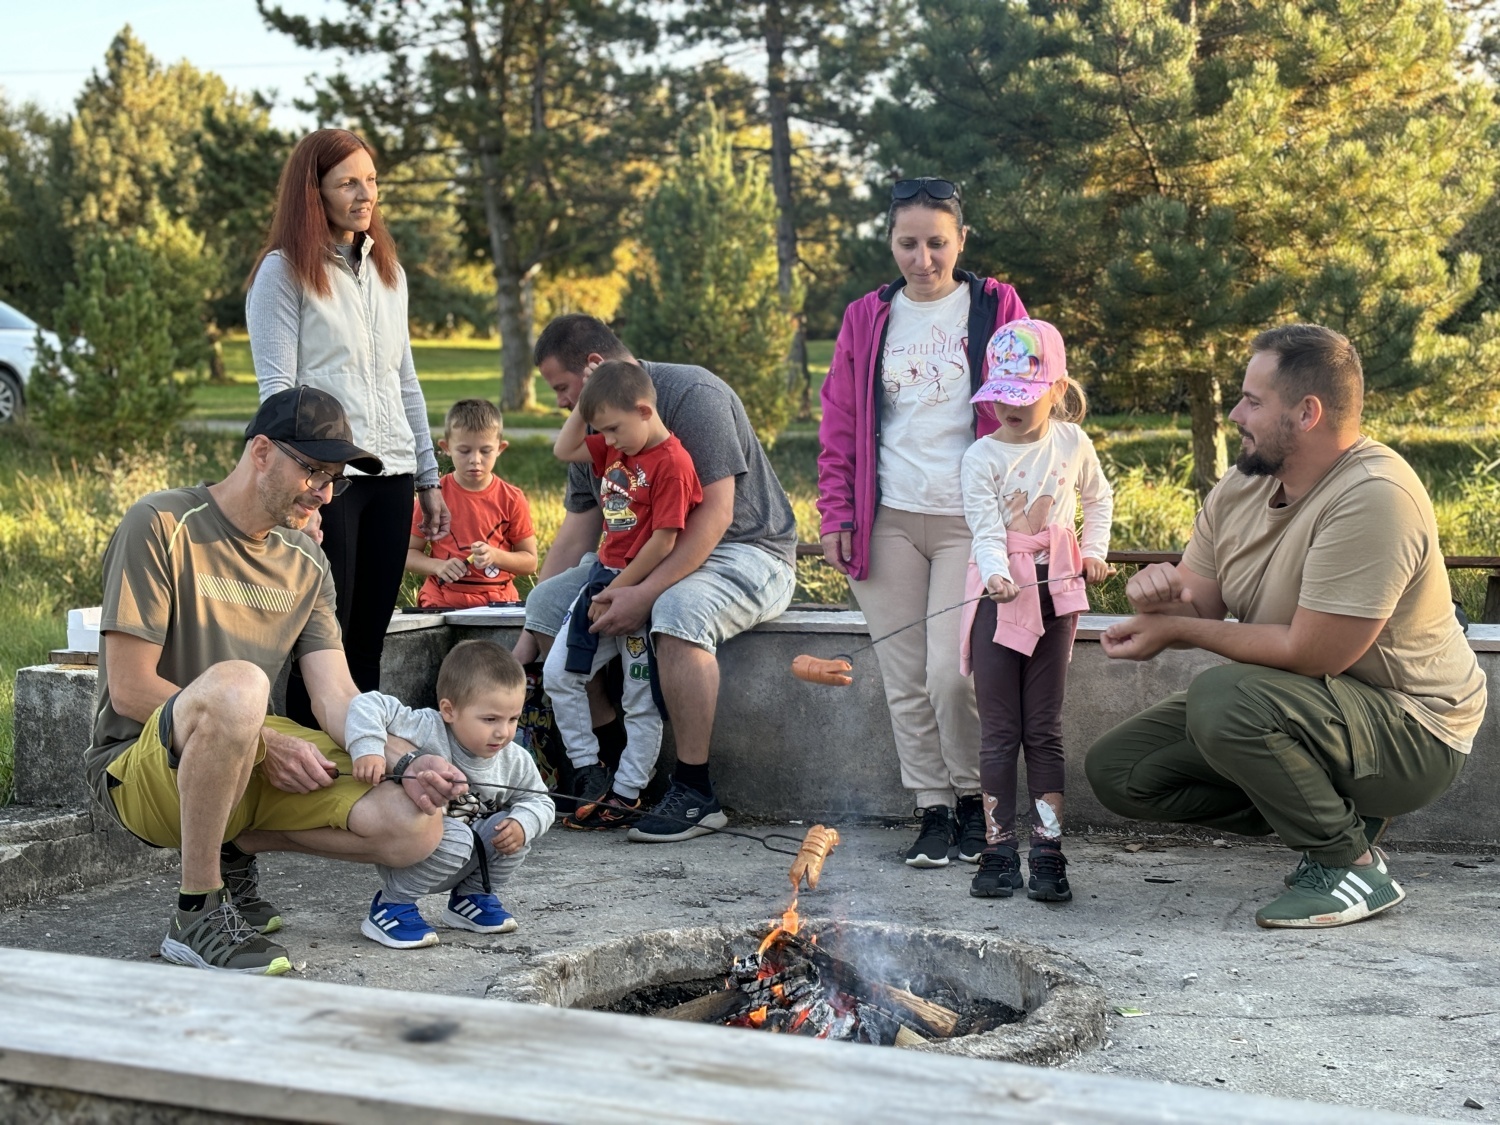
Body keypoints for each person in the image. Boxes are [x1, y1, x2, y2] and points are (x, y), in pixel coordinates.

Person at [1086, 324, 1487, 929]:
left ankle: (1350, 866)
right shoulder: (1242, 486)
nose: (1233, 413)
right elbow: (1198, 604)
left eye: (1252, 400)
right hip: (1318, 713)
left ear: (1306, 413)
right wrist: (1156, 601)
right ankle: (1340, 816)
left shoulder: (1375, 495)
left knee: (1224, 697)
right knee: (1121, 771)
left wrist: (1182, 633)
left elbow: (1310, 653)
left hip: (1415, 730)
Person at [84, 387, 467, 975]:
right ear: (261, 451)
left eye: (334, 477)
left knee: (416, 823)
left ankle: (235, 844)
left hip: (244, 748)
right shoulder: (161, 524)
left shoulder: (309, 563)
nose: (326, 492)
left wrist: (404, 762)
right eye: (313, 470)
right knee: (240, 686)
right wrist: (264, 742)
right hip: (142, 764)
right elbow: (132, 689)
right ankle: (198, 911)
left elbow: (337, 697)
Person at [514, 314, 798, 843]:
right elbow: (580, 531)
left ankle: (696, 792)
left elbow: (714, 516)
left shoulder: (691, 393)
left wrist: (643, 592)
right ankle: (614, 777)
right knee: (551, 603)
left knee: (677, 610)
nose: (559, 403)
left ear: (595, 366)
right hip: (639, 559)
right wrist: (529, 629)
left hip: (745, 550)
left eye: (561, 388)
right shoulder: (603, 429)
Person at [818, 177, 1029, 868]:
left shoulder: (996, 305)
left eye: (937, 242)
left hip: (971, 520)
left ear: (961, 240)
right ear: (891, 243)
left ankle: (975, 799)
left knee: (952, 670)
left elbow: (1031, 402)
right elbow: (841, 422)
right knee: (904, 675)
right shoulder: (866, 317)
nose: (923, 257)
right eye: (907, 243)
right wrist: (838, 511)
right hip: (890, 520)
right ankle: (932, 808)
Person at [246, 127, 450, 728]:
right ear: (315, 192)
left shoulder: (389, 274)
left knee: (367, 642)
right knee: (318, 644)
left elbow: (404, 381)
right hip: (327, 481)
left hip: (391, 473)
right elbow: (277, 394)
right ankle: (305, 774)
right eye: (349, 183)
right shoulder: (283, 273)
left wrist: (428, 479)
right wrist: (298, 495)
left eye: (372, 180)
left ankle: (352, 774)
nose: (366, 195)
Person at [958, 320, 1113, 902]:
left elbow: (1097, 500)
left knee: (1043, 729)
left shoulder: (1074, 444)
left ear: (1057, 388)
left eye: (1022, 395)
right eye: (999, 394)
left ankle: (1048, 851)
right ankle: (998, 850)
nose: (1009, 407)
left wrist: (1093, 553)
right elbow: (984, 526)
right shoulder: (981, 456)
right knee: (1000, 730)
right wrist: (996, 574)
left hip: (1058, 596)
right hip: (998, 596)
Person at [546, 361, 703, 829]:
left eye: (614, 429)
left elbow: (664, 540)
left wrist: (619, 591)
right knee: (560, 674)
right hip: (602, 581)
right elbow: (564, 446)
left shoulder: (672, 463)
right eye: (603, 431)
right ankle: (589, 769)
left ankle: (628, 792)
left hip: (635, 592)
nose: (608, 441)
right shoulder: (618, 447)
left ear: (645, 410)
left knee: (640, 698)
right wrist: (591, 393)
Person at [346, 640, 554, 947]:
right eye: (490, 719)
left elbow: (540, 801)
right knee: (458, 836)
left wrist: (525, 823)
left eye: (513, 719)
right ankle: (391, 905)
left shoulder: (515, 757)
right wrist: (367, 749)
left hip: (467, 858)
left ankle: (472, 899)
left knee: (516, 828)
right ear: (449, 710)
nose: (503, 732)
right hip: (412, 854)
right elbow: (368, 703)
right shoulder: (429, 728)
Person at [407, 398, 537, 609]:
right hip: (441, 599)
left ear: (500, 448)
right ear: (446, 447)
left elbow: (530, 562)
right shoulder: (433, 496)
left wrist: (495, 555)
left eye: (485, 451)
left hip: (499, 602)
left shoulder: (512, 498)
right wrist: (438, 566)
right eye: (464, 451)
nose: (475, 459)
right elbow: (409, 553)